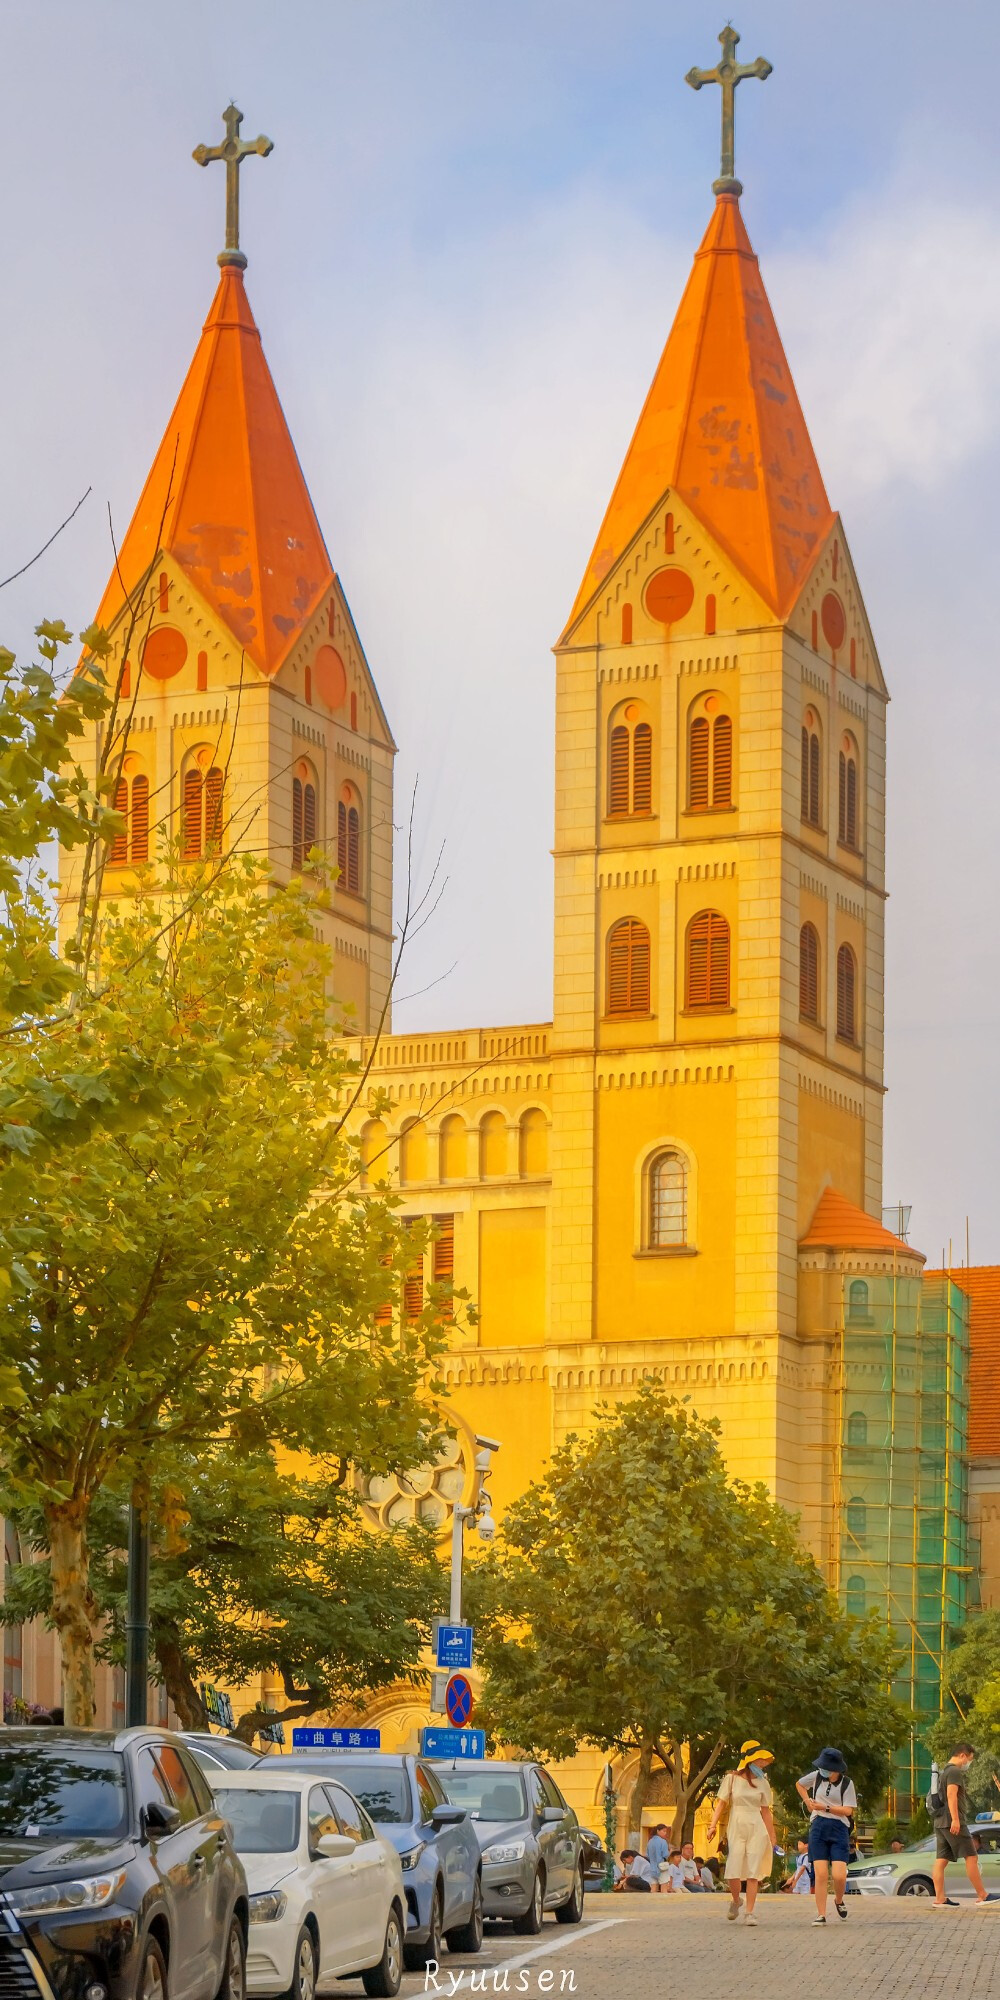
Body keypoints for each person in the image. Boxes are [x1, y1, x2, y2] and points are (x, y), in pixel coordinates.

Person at [706, 1740, 777, 1927]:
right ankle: (736, 1900)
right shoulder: (731, 1779)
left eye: (764, 1761)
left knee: (753, 1871)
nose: (763, 1764)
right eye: (760, 1760)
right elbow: (721, 1803)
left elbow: (766, 1810)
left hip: (757, 1826)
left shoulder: (763, 1783)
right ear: (749, 1760)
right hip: (737, 1824)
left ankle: (750, 1912)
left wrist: (772, 1835)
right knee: (733, 1869)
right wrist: (712, 1826)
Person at [931, 1742, 997, 1907]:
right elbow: (952, 1795)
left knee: (941, 1860)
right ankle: (982, 1895)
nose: (969, 1763)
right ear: (962, 1755)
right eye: (969, 1759)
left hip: (939, 1821)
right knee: (972, 1856)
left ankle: (940, 1898)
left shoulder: (943, 1772)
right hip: (952, 1821)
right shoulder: (954, 1772)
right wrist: (956, 1820)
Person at [796, 1747, 857, 1925]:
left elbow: (848, 1810)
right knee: (821, 1874)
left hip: (839, 1828)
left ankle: (838, 1900)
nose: (823, 1770)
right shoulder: (816, 1776)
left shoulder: (847, 1784)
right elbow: (799, 1784)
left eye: (827, 1767)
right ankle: (821, 1914)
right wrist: (808, 1801)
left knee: (839, 1875)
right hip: (818, 1826)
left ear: (836, 1769)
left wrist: (826, 1807)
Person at [645, 1822, 671, 1892]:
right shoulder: (663, 1841)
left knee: (653, 1887)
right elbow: (665, 1855)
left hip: (652, 1867)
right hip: (662, 1867)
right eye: (664, 1831)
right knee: (664, 1887)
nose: (665, 1833)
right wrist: (670, 1851)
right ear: (658, 1831)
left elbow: (647, 1855)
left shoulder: (650, 1841)